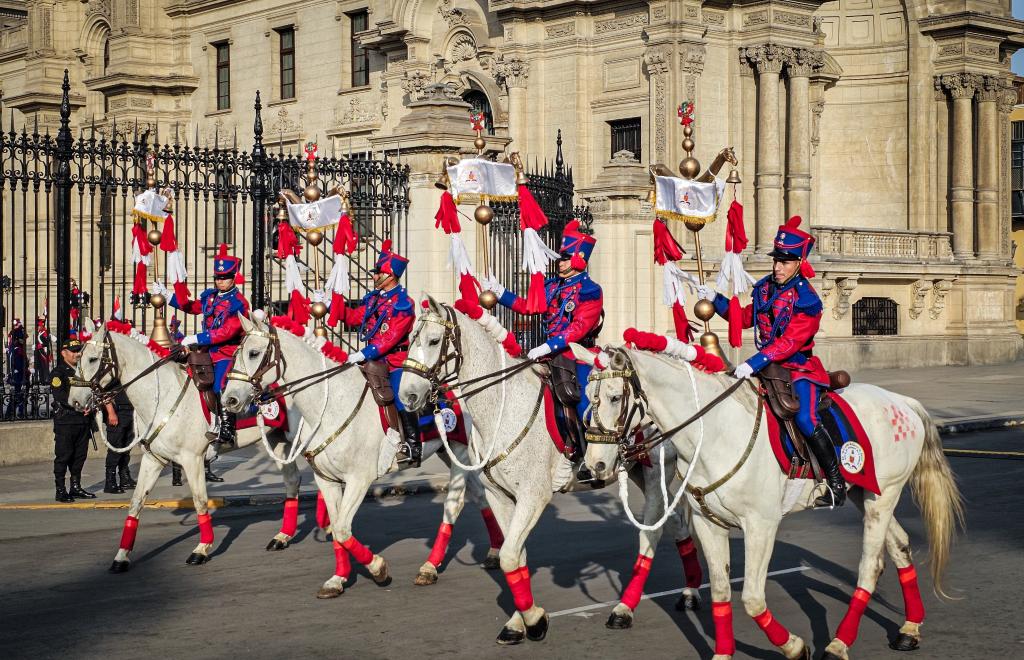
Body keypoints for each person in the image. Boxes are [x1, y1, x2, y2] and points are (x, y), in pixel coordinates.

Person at [696, 215, 844, 507]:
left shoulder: (807, 299)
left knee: (805, 417)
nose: (777, 266)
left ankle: (835, 480)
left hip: (798, 368)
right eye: (776, 260)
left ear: (799, 263)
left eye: (784, 261)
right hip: (769, 367)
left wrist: (754, 361)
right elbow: (747, 317)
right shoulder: (766, 287)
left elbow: (791, 342)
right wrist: (716, 299)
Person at [482, 221, 603, 467]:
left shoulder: (590, 290)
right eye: (559, 258)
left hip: (578, 354)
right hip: (550, 354)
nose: (560, 262)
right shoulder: (552, 287)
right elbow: (529, 306)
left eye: (566, 258)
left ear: (580, 259)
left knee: (578, 400)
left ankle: (588, 456)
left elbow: (578, 327)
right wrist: (499, 290)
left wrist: (549, 346)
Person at [158, 243, 249, 445]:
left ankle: (227, 429)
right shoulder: (211, 298)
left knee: (219, 386)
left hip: (228, 352)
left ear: (233, 278)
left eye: (224, 277)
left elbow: (227, 331)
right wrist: (169, 296)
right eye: (218, 277)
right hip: (208, 352)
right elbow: (191, 307)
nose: (220, 281)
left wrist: (196, 338)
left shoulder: (239, 303)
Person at [338, 241, 419, 465]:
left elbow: (390, 337)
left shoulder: (404, 304)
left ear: (390, 275)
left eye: (378, 273)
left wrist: (365, 352)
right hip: (374, 360)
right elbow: (354, 318)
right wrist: (332, 304)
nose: (374, 277)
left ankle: (412, 445)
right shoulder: (375, 299)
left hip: (395, 361)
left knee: (400, 396)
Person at [51, 337, 114, 502]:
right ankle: (60, 490)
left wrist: (91, 406)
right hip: (66, 421)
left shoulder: (85, 370)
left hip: (83, 421)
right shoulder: (59, 372)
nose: (77, 354)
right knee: (64, 456)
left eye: (79, 351)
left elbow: (94, 392)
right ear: (63, 353)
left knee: (80, 456)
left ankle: (76, 487)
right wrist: (78, 407)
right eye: (73, 351)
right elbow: (60, 397)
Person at [102, 384, 136, 494]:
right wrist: (111, 412)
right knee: (115, 449)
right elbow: (103, 391)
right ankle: (110, 482)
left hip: (130, 411)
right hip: (118, 412)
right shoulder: (111, 374)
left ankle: (124, 478)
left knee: (126, 448)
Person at [5, 319, 27, 418]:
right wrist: (27, 371)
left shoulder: (14, 349)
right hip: (18, 375)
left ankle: (19, 411)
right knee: (18, 394)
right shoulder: (18, 350)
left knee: (20, 394)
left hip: (16, 374)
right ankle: (11, 412)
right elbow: (18, 365)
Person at [33, 317, 52, 385]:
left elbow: (46, 342)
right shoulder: (39, 332)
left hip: (43, 351)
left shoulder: (45, 332)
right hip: (39, 351)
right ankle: (42, 380)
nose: (37, 327)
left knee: (44, 366)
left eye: (38, 325)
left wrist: (38, 346)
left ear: (41, 325)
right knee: (40, 367)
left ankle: (46, 379)